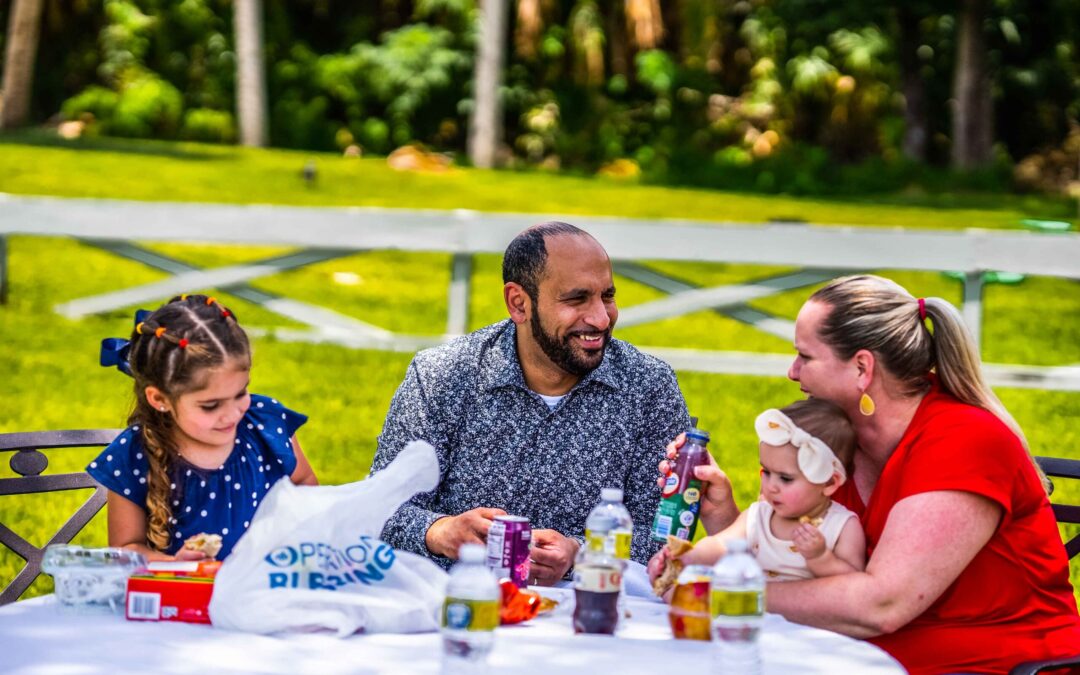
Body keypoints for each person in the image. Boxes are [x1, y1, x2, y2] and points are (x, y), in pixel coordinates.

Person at [650, 274, 1080, 674]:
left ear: (861, 368)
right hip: (859, 656)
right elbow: (790, 564)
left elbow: (880, 605)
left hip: (999, 663)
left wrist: (721, 597)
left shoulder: (965, 440)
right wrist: (723, 514)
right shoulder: (834, 443)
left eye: (804, 356)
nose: (792, 372)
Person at [372, 221, 690, 585]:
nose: (601, 318)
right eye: (576, 299)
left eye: (607, 296)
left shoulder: (649, 386)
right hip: (461, 605)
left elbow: (668, 538)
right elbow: (378, 510)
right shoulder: (443, 376)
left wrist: (581, 554)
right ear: (518, 303)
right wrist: (441, 531)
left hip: (595, 612)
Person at [89, 294, 317, 562]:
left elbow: (304, 484)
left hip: (263, 592)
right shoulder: (135, 453)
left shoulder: (265, 422)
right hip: (183, 597)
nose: (232, 414)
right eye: (211, 406)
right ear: (160, 399)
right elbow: (125, 549)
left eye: (241, 393)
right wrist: (176, 565)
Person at [661, 399, 865, 583]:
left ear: (829, 482)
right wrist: (685, 557)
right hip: (753, 616)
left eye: (785, 478)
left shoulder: (842, 526)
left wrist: (821, 558)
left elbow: (854, 584)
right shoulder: (761, 515)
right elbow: (720, 545)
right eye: (766, 472)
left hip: (811, 622)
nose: (771, 486)